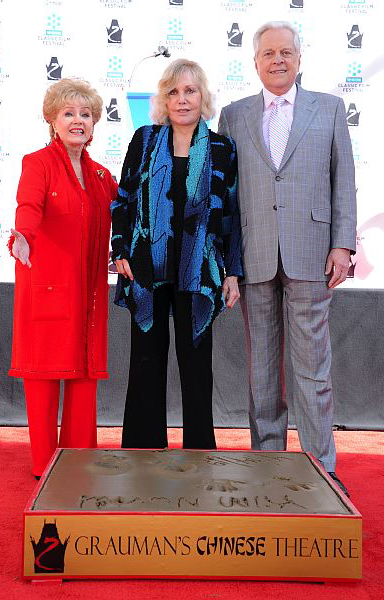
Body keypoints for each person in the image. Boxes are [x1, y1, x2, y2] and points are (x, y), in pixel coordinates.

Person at [218, 21, 356, 496]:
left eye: (286, 52)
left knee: (313, 369)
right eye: (268, 53)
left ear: (300, 58)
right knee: (261, 372)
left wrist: (343, 244)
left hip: (312, 255)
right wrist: (229, 264)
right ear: (254, 62)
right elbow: (226, 195)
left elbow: (344, 182)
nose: (277, 60)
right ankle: (268, 467)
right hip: (254, 256)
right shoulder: (234, 116)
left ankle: (322, 470)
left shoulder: (330, 108)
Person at [111, 58, 243, 450]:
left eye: (190, 91)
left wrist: (233, 272)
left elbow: (232, 216)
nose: (182, 99)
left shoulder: (222, 148)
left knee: (197, 364)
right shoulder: (145, 139)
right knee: (147, 362)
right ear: (163, 100)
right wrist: (120, 250)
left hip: (201, 270)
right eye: (173, 92)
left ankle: (200, 453)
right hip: (146, 267)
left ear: (203, 97)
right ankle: (141, 450)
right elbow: (123, 199)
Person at [9, 78, 118, 478]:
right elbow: (29, 206)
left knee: (84, 376)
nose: (78, 121)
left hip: (87, 294)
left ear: (94, 124)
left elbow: (123, 219)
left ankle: (77, 461)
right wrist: (23, 236)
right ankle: (44, 465)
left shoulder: (103, 176)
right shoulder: (37, 163)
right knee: (42, 379)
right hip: (49, 287)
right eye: (69, 113)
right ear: (52, 120)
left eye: (85, 114)